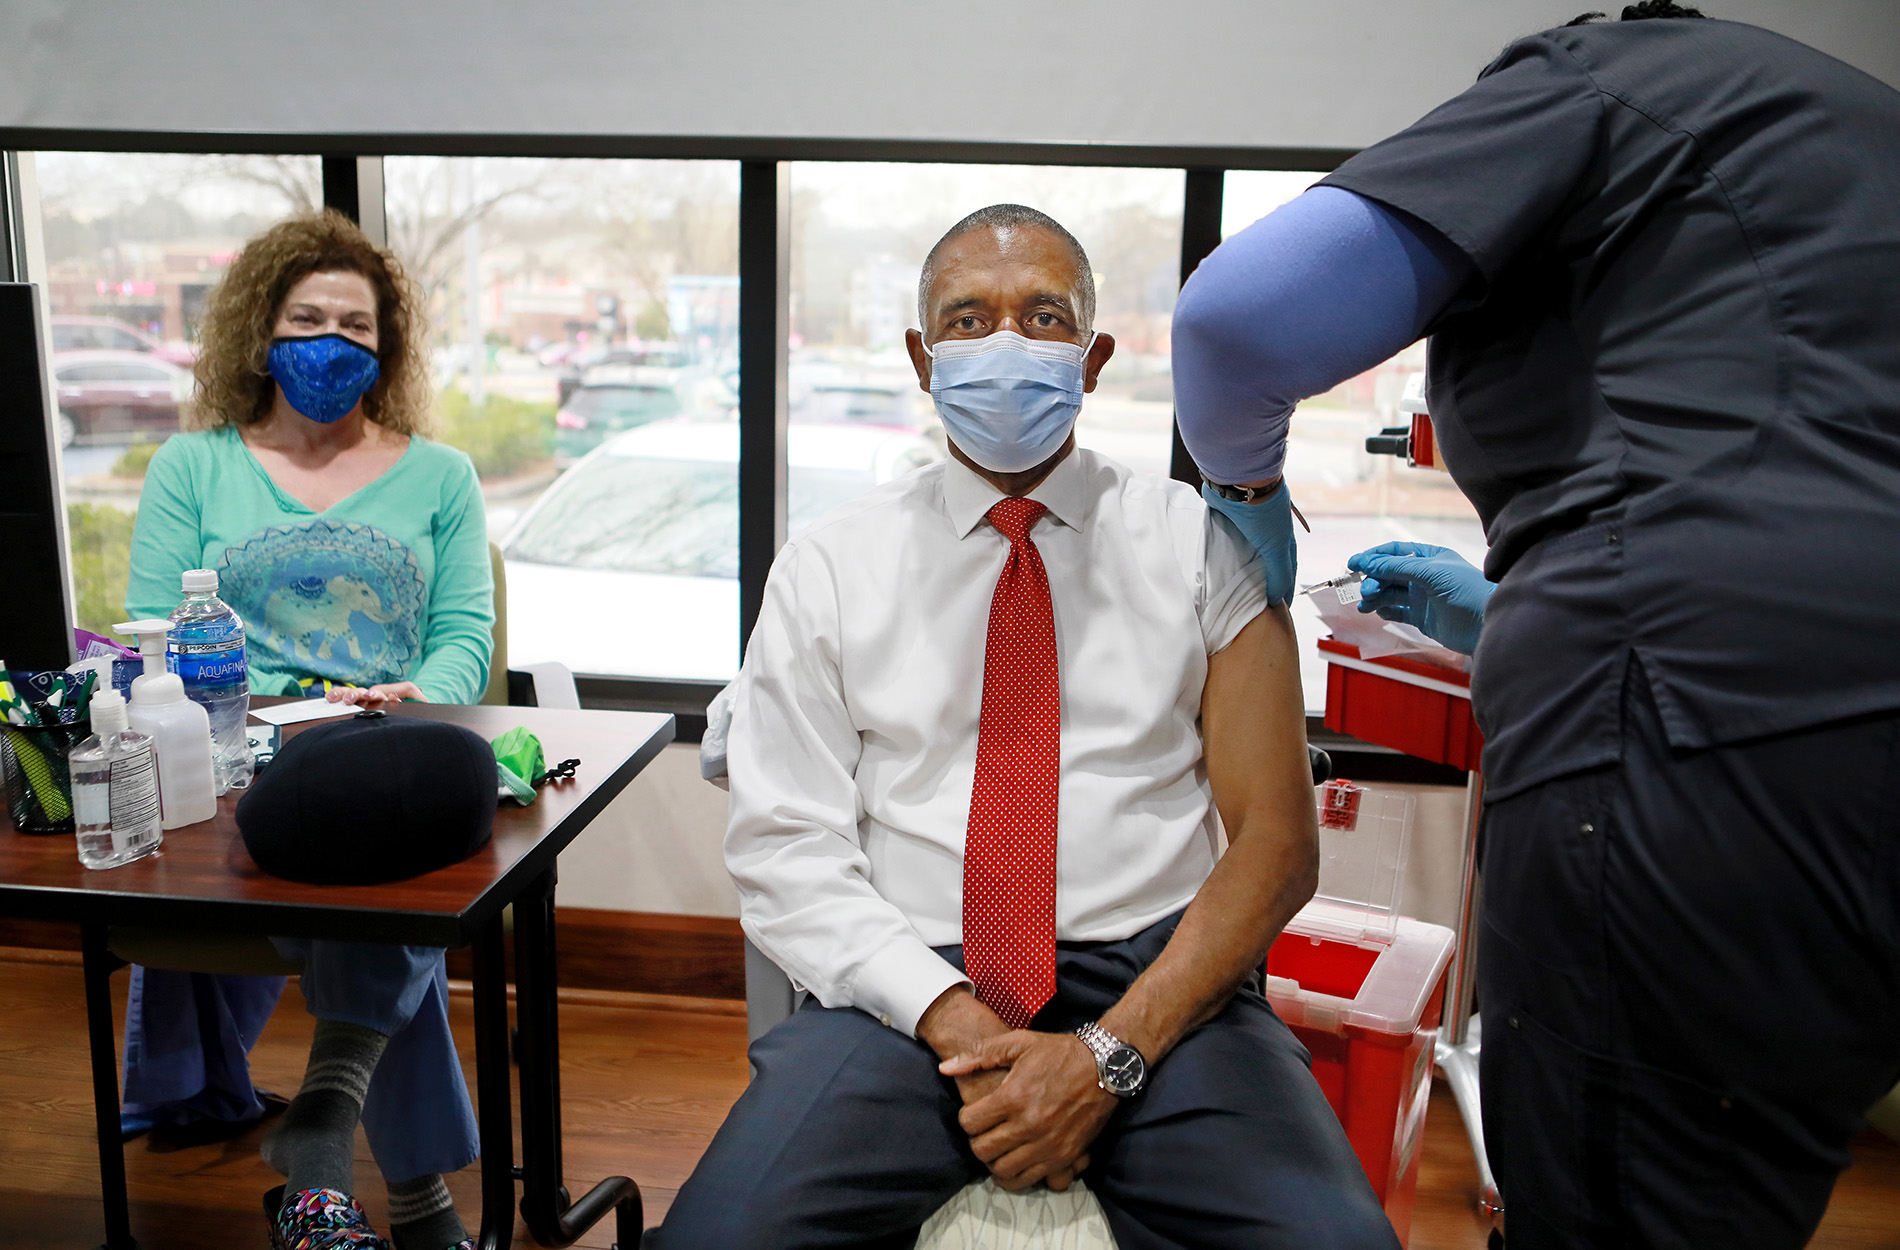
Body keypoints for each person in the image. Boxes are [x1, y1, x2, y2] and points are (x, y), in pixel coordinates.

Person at [1169, 6, 1900, 1248]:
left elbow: (1235, 322)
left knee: (1638, 1196)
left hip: (1715, 724)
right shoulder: (1842, 131)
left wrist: (1240, 487)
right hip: (1828, 749)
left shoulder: (1603, 80)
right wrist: (1508, 616)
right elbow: (1808, 490)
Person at [648, 205, 1396, 1249]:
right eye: (968, 317)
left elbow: (1276, 842)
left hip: (1161, 982)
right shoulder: (830, 564)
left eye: (1043, 316)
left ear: (1090, 360)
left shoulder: (1202, 546)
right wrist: (957, 1020)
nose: (1005, 343)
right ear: (921, 356)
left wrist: (1106, 1053)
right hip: (908, 988)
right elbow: (785, 845)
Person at [124, 209, 494, 1250]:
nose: (332, 341)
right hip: (237, 762)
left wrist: (421, 693)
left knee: (377, 829)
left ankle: (325, 1151)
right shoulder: (190, 468)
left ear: (387, 347)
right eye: (306, 317)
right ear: (260, 332)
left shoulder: (441, 475)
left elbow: (464, 636)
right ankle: (409, 1197)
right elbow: (146, 632)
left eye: (357, 324)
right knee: (372, 888)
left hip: (391, 743)